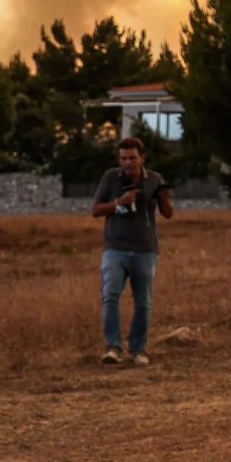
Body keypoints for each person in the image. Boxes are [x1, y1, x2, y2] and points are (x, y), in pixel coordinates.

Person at [90, 134, 174, 366]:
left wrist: (165, 200)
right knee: (110, 296)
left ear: (142, 158)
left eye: (132, 158)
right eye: (124, 158)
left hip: (145, 250)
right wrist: (119, 203)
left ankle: (138, 349)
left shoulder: (155, 179)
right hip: (115, 249)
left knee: (143, 302)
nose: (128, 163)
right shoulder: (110, 178)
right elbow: (96, 210)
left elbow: (167, 214)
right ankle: (113, 347)